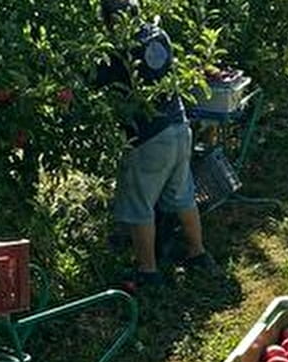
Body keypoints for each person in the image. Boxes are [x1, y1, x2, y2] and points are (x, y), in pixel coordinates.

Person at [93, 0, 217, 289]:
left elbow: (98, 84)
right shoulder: (158, 34)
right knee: (183, 193)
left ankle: (148, 271)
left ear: (111, 20)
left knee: (140, 205)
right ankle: (198, 253)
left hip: (148, 136)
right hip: (179, 124)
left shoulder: (117, 50)